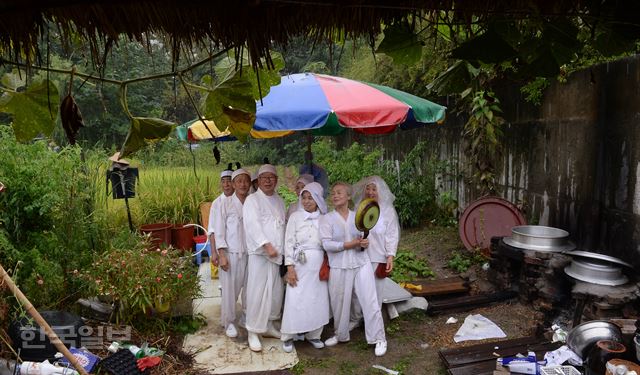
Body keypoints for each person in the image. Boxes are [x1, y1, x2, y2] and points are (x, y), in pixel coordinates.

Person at [319, 182, 387, 357]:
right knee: (339, 303)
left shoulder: (358, 216)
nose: (335, 196)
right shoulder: (327, 219)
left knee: (370, 301)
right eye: (333, 193)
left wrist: (363, 244)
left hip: (361, 263)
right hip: (339, 266)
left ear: (349, 196)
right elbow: (326, 244)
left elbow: (364, 240)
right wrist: (351, 244)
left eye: (339, 193)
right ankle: (340, 335)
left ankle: (379, 338)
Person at [280, 182, 329, 353]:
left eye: (311, 198)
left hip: (318, 264)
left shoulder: (324, 218)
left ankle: (314, 334)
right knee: (295, 299)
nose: (307, 201)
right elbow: (288, 242)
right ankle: (288, 335)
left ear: (317, 199)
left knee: (317, 299)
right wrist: (290, 268)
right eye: (304, 197)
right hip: (299, 264)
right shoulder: (295, 217)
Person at [242, 164, 286, 352]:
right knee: (257, 293)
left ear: (276, 180)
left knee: (275, 293)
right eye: (264, 177)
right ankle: (253, 331)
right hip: (261, 255)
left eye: (271, 177)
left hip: (277, 256)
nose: (268, 181)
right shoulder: (252, 200)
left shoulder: (280, 200)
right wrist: (267, 245)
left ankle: (269, 326)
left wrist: (281, 251)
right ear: (258, 181)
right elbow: (252, 226)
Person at [213, 168, 251, 338]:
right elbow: (219, 230)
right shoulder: (224, 203)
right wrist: (221, 254)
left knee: (250, 289)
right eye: (239, 181)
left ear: (250, 184)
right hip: (231, 252)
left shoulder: (252, 202)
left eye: (246, 181)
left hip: (251, 253)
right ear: (234, 184)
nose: (243, 184)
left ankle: (246, 317)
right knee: (230, 290)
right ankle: (229, 322)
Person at [352, 176, 400, 308]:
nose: (370, 192)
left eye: (374, 189)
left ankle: (374, 321)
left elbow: (392, 234)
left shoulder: (387, 211)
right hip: (359, 256)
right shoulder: (358, 208)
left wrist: (390, 255)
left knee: (376, 292)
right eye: (368, 189)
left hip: (379, 257)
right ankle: (357, 317)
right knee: (358, 290)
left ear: (380, 191)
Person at [208, 164, 235, 264]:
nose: (226, 184)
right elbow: (212, 230)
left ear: (234, 183)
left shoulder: (242, 200)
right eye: (223, 181)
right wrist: (214, 252)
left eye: (229, 181)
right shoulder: (217, 203)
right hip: (223, 251)